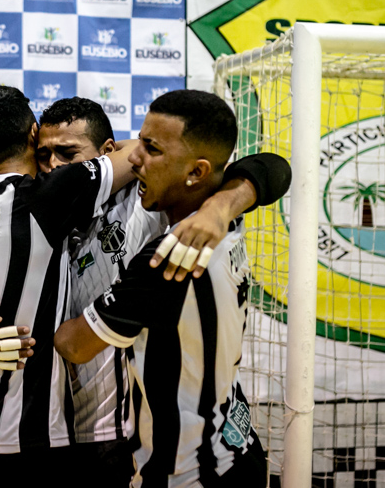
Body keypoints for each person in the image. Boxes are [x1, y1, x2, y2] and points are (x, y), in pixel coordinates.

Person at [38, 96, 289, 487]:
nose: (134, 159)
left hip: (191, 469)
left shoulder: (170, 257)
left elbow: (73, 344)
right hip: (233, 442)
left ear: (195, 172)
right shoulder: (220, 220)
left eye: (151, 149)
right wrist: (222, 205)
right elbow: (268, 170)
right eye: (138, 143)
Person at [0, 86, 137, 486]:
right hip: (24, 436)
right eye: (45, 152)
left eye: (66, 154)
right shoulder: (48, 196)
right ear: (32, 134)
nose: (52, 165)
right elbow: (141, 151)